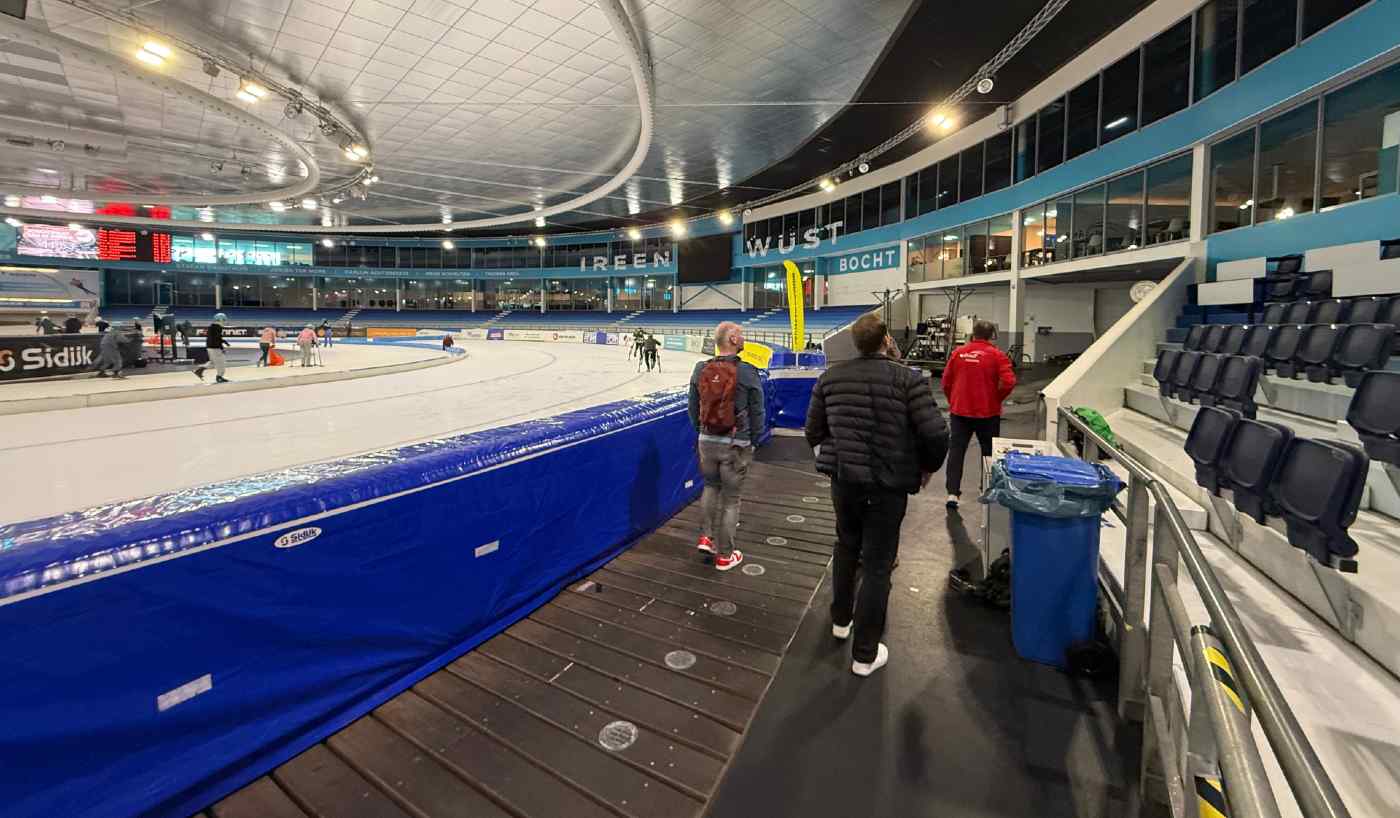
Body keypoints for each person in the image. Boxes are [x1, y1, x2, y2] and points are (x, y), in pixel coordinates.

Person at [805, 314, 949, 677]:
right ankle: (864, 655)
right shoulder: (908, 379)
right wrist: (927, 467)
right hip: (888, 486)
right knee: (878, 564)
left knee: (846, 546)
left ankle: (841, 620)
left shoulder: (831, 378)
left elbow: (813, 431)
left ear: (856, 343)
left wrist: (835, 457)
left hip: (845, 482)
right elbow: (935, 434)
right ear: (886, 339)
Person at [688, 321, 765, 572]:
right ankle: (726, 555)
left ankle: (706, 538)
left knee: (710, 487)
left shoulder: (700, 368)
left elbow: (692, 407)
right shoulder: (747, 372)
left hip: (706, 441)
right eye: (741, 335)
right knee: (731, 500)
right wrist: (753, 440)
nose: (744, 339)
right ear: (732, 339)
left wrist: (701, 433)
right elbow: (758, 411)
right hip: (735, 443)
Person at [940, 320, 1016, 509]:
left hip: (960, 412)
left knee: (956, 451)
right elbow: (1008, 382)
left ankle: (952, 494)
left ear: (973, 334)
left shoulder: (958, 353)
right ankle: (986, 488)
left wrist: (955, 400)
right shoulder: (997, 356)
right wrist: (996, 398)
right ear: (992, 336)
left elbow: (946, 382)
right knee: (989, 452)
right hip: (987, 413)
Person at [194, 313, 230, 383]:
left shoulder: (211, 327)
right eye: (224, 320)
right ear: (220, 319)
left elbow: (214, 338)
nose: (225, 322)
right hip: (215, 348)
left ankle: (199, 371)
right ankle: (219, 377)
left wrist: (223, 341)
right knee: (221, 362)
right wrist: (222, 348)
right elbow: (217, 339)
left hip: (209, 347)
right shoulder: (218, 327)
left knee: (212, 362)